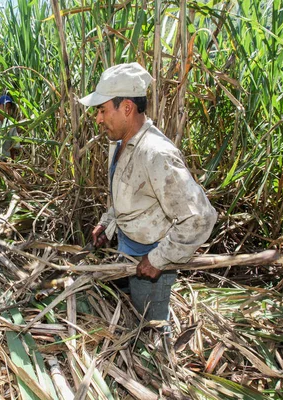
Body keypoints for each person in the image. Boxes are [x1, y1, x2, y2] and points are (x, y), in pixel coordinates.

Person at [78, 62, 217, 324]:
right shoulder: (121, 143)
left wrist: (157, 259)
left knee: (151, 320)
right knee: (136, 303)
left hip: (153, 257)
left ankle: (158, 357)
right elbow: (129, 193)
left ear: (127, 108)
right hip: (130, 247)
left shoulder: (156, 155)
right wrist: (108, 223)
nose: (98, 119)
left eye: (102, 110)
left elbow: (200, 217)